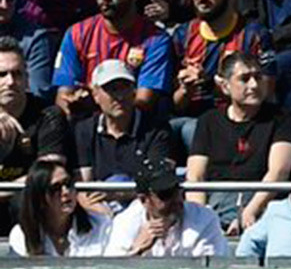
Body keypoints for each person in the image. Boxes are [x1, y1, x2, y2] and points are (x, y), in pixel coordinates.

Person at [185, 52, 291, 231]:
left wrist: (251, 210)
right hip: (218, 200)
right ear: (225, 86)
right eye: (245, 79)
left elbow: (278, 171)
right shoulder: (208, 121)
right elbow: (195, 176)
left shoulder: (282, 118)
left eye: (258, 77)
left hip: (261, 199)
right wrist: (201, 216)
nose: (254, 85)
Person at [54, 0, 175, 114]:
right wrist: (73, 103)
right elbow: (63, 98)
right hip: (84, 125)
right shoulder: (77, 33)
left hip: (133, 129)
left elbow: (144, 103)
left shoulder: (156, 40)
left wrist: (94, 104)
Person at [172, 0, 275, 126]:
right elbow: (175, 105)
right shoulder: (182, 35)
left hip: (238, 121)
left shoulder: (254, 35)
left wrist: (211, 84)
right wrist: (186, 90)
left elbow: (266, 93)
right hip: (191, 119)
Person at [71, 60, 177, 184]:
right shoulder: (84, 130)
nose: (120, 96)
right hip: (97, 202)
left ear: (134, 91)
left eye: (125, 88)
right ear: (95, 95)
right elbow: (84, 183)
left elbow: (156, 182)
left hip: (142, 202)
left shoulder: (157, 130)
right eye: (112, 90)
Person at [106, 159, 229, 257]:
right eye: (165, 194)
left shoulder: (204, 218)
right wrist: (137, 250)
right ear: (144, 200)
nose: (176, 199)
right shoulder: (125, 222)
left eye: (177, 190)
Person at [0, 37, 71, 191]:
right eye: (2, 74)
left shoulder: (48, 115)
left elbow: (49, 175)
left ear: (27, 79)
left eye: (17, 74)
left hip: (29, 205)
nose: (10, 81)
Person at [8, 160, 111, 257]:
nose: (65, 192)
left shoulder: (101, 225)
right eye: (56, 188)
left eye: (68, 183)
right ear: (39, 197)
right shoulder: (20, 235)